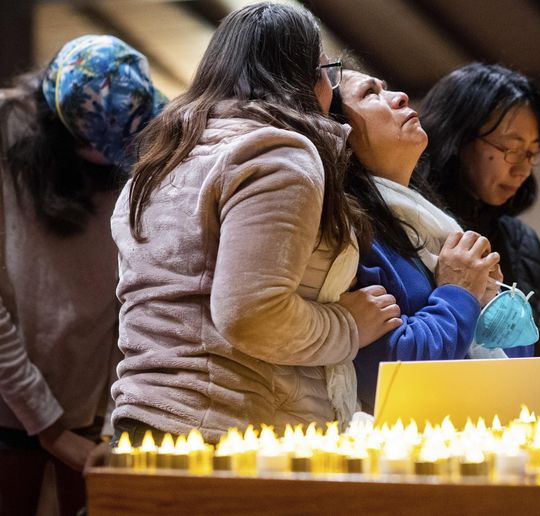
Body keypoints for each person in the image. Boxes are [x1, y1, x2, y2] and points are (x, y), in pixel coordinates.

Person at [110, 3, 400, 444]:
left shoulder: (161, 162)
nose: (331, 90)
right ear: (303, 77)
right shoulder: (275, 155)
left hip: (145, 421)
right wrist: (349, 327)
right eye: (327, 72)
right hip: (222, 431)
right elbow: (251, 315)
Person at [0, 35, 165, 515]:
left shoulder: (146, 137)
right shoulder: (7, 128)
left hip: (96, 409)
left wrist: (116, 419)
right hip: (9, 400)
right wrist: (48, 426)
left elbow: (137, 299)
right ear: (61, 131)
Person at [332, 70, 533, 412]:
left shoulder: (431, 222)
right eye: (370, 93)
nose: (400, 97)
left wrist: (490, 307)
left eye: (386, 86)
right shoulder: (349, 235)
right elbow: (390, 379)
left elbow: (522, 368)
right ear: (339, 131)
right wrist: (459, 293)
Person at [420, 63, 540, 357]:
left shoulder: (522, 240)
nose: (523, 169)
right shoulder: (419, 225)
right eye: (511, 149)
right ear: (458, 138)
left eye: (532, 152)